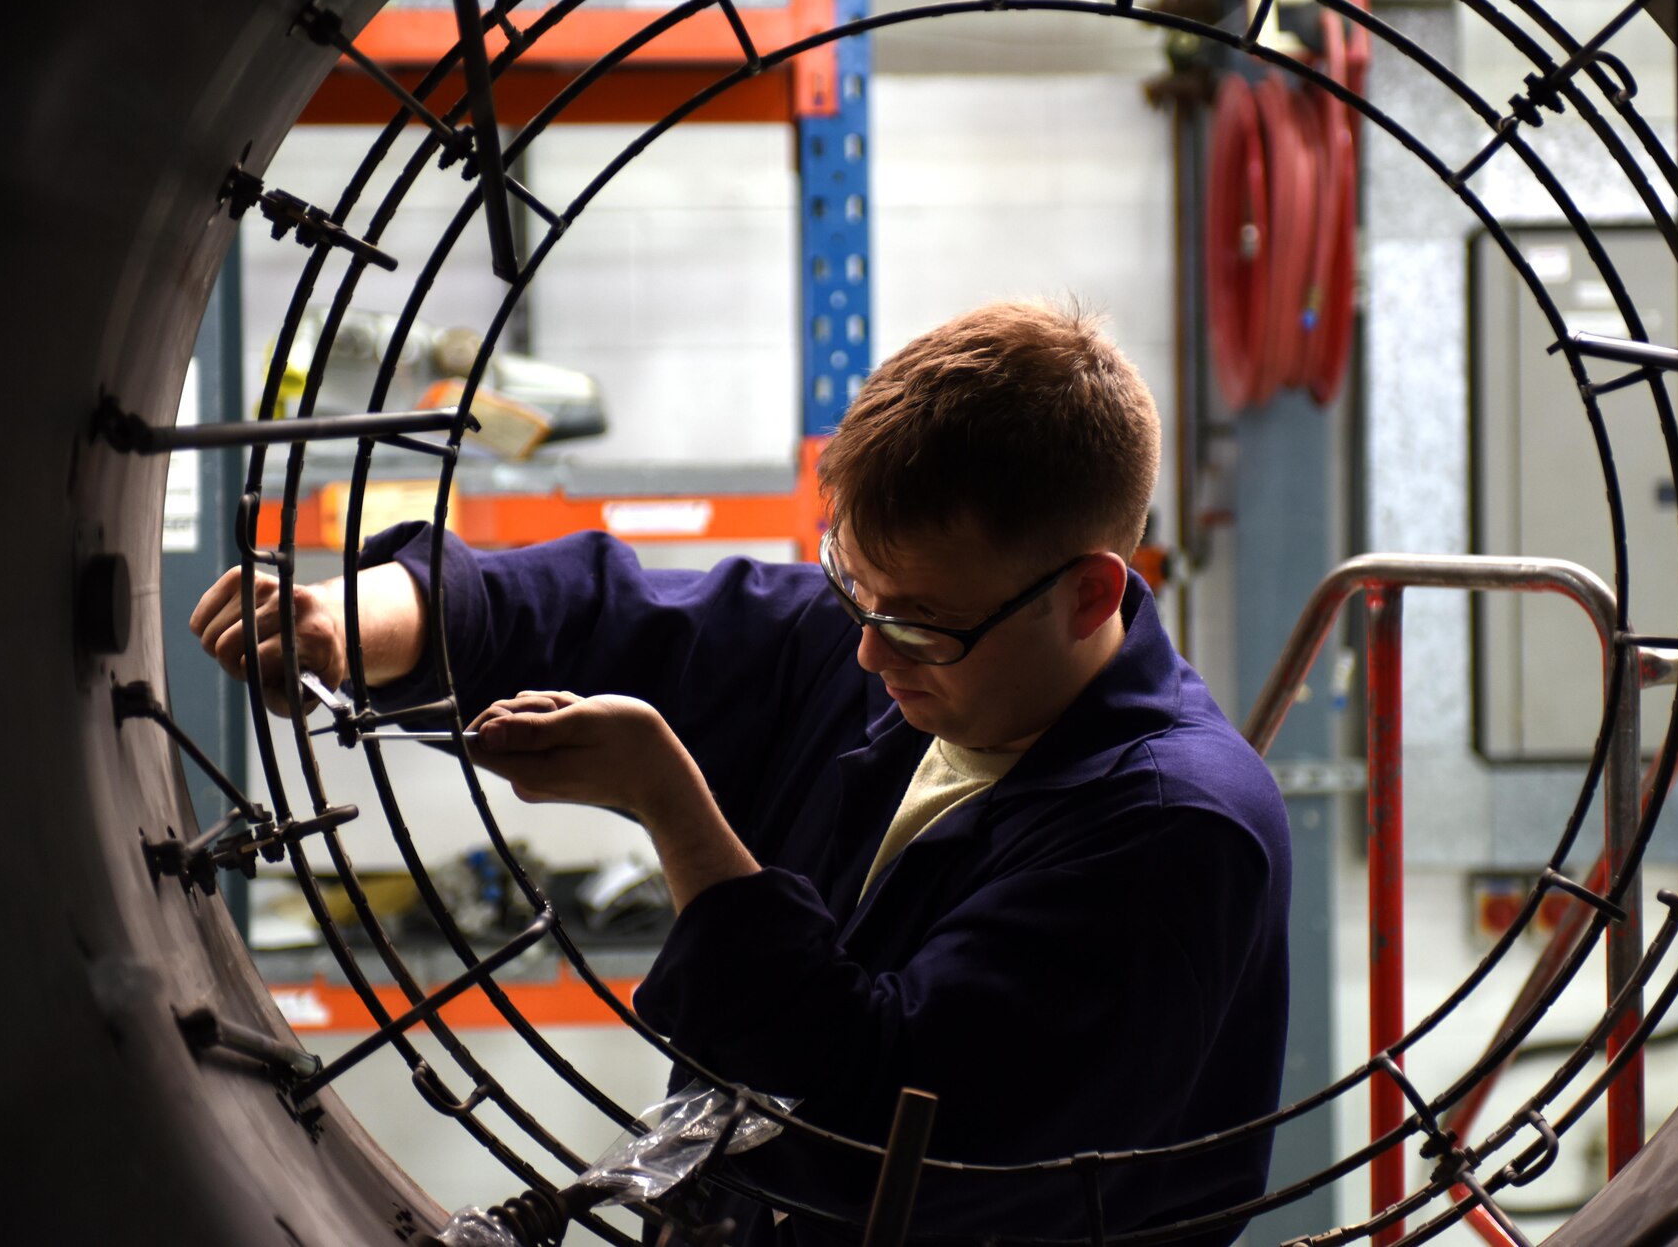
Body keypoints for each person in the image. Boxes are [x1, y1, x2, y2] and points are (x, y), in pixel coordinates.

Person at [191, 300, 1292, 1243]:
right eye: (854, 589)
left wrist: (671, 805)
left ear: (1089, 596)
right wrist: (363, 619)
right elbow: (606, 615)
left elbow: (871, 1120)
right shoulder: (894, 659)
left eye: (920, 624)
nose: (866, 650)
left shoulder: (1175, 832)